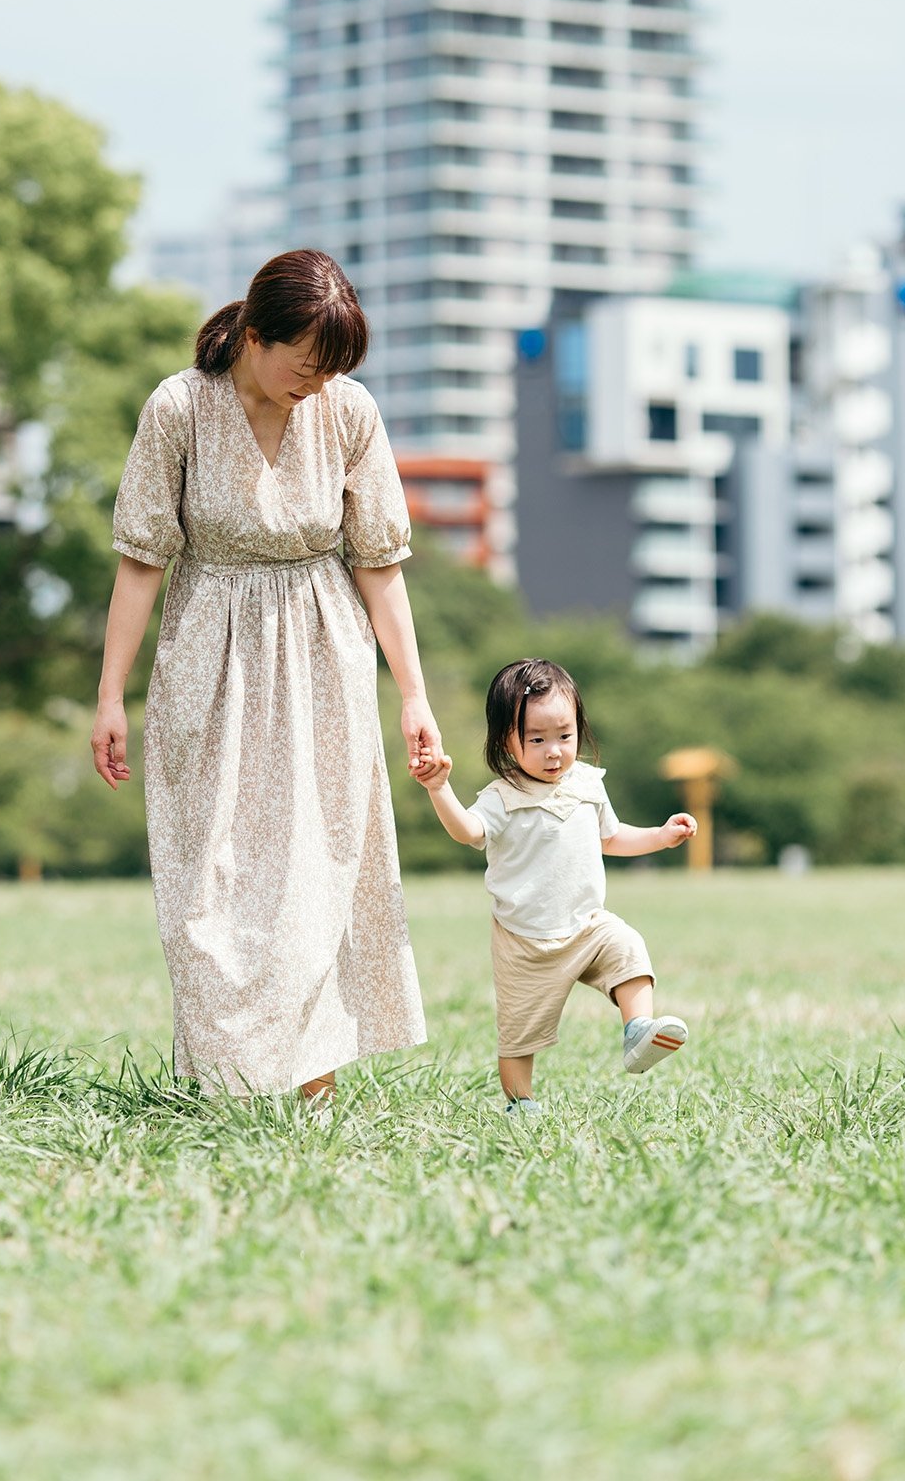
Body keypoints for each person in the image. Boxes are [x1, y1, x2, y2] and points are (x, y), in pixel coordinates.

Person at [90, 249, 440, 1103]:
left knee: (316, 871)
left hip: (325, 650)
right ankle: (229, 1084)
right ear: (254, 334)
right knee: (208, 877)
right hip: (208, 651)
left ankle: (311, 1090)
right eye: (306, 365)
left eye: (332, 371)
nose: (316, 385)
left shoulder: (349, 413)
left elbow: (380, 565)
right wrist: (110, 694)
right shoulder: (179, 408)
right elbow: (141, 560)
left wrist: (415, 695)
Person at [411, 657, 695, 1114]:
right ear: (507, 741)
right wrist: (439, 789)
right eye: (537, 740)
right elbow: (467, 831)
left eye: (564, 736)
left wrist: (661, 836)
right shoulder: (502, 798)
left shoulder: (586, 784)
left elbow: (611, 837)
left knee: (627, 947)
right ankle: (520, 1103)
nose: (554, 751)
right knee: (519, 1035)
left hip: (586, 925)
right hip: (526, 940)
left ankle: (639, 1029)